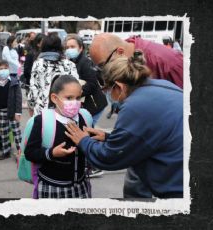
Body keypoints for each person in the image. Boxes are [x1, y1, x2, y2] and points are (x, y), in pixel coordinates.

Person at [64, 51, 183, 198]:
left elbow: (110, 156)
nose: (109, 95)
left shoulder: (134, 105)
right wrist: (109, 137)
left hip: (177, 186)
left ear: (119, 86)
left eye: (108, 89)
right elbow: (148, 134)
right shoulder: (163, 85)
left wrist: (84, 141)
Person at [24, 75, 92, 198]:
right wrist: (51, 153)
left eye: (78, 98)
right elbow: (30, 152)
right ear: (54, 98)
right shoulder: (42, 121)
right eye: (69, 98)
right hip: (51, 186)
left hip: (80, 185)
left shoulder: (85, 118)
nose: (75, 102)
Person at [90, 33, 183, 89]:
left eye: (103, 65)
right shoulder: (126, 55)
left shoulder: (168, 62)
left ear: (120, 52)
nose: (106, 71)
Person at [27, 33, 79, 116]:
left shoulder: (38, 64)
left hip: (42, 111)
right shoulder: (70, 64)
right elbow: (76, 87)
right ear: (60, 47)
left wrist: (31, 106)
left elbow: (34, 89)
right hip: (65, 110)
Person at [64, 34, 108, 127]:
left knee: (88, 131)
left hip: (94, 104)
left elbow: (92, 84)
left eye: (72, 46)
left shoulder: (85, 62)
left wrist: (75, 94)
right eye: (67, 47)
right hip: (84, 105)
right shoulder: (70, 62)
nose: (69, 49)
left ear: (80, 48)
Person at [0, 60, 23, 160]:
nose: (3, 70)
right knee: (4, 133)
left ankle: (20, 152)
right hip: (1, 112)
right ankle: (6, 151)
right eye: (1, 69)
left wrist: (18, 112)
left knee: (16, 132)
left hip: (12, 112)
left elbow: (18, 98)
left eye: (5, 68)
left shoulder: (14, 82)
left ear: (9, 69)